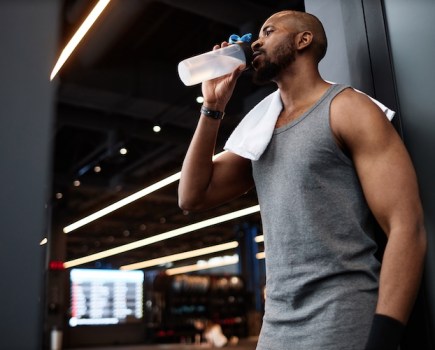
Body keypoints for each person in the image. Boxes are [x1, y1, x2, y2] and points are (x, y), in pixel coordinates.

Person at [178, 10, 426, 350]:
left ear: (302, 40)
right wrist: (212, 105)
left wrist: (383, 337)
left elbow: (406, 227)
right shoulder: (260, 129)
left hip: (342, 320)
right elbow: (191, 196)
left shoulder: (347, 109)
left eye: (268, 32)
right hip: (277, 327)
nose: (256, 42)